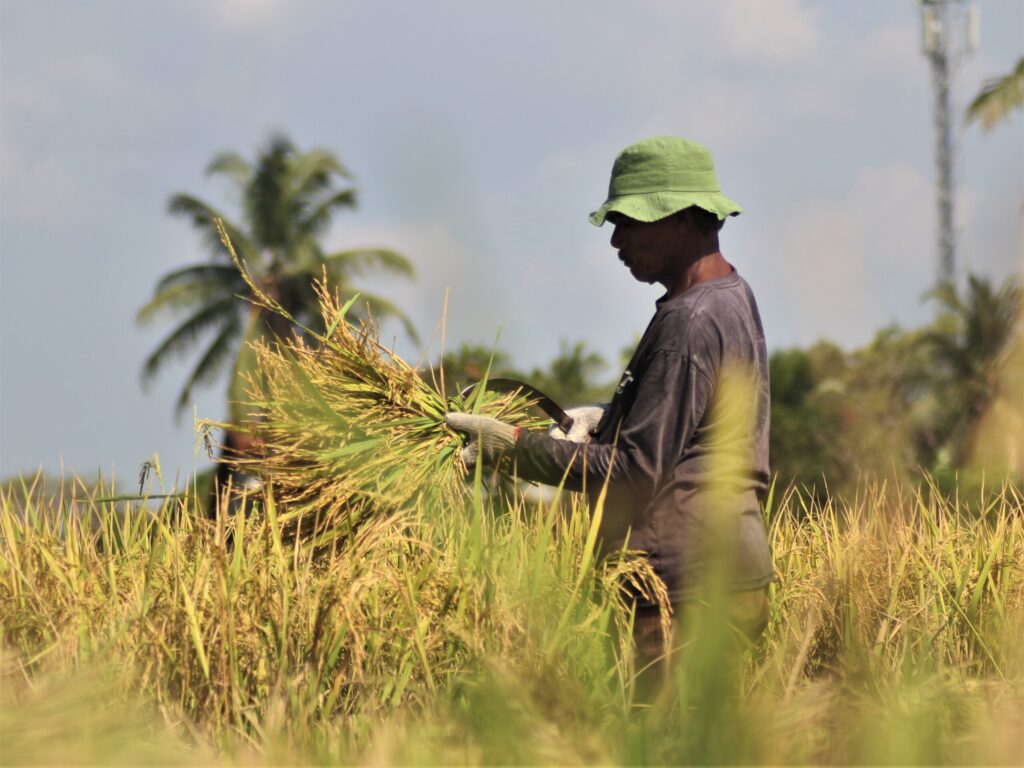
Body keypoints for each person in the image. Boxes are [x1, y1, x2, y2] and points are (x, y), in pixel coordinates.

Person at [445, 136, 774, 676]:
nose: (617, 239)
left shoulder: (688, 322)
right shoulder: (730, 298)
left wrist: (514, 447)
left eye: (631, 221)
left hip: (684, 590)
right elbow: (694, 427)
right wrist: (612, 418)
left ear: (685, 218)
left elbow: (637, 472)